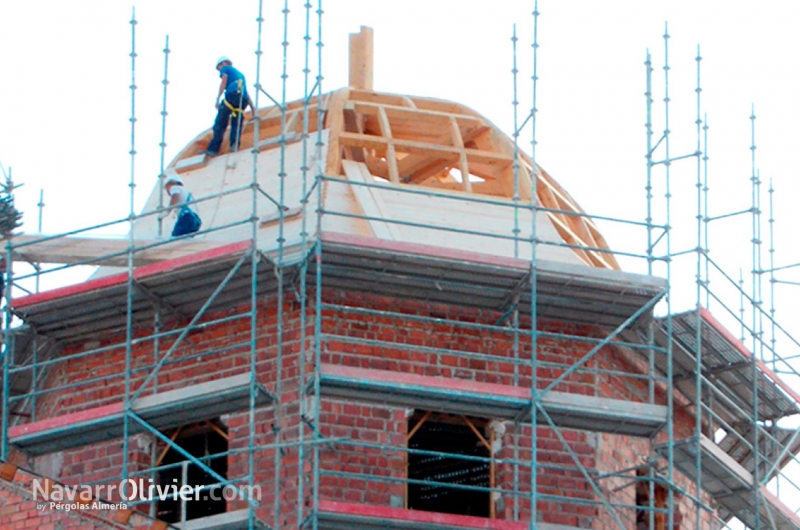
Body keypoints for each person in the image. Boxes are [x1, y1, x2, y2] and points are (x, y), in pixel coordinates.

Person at [205, 56, 256, 157]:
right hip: (242, 101)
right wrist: (253, 109)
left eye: (219, 67)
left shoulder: (226, 68)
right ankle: (234, 146)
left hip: (232, 96)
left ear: (223, 63)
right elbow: (246, 93)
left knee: (220, 123)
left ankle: (213, 149)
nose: (219, 70)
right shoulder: (241, 75)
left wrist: (217, 98)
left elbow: (224, 81)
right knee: (236, 124)